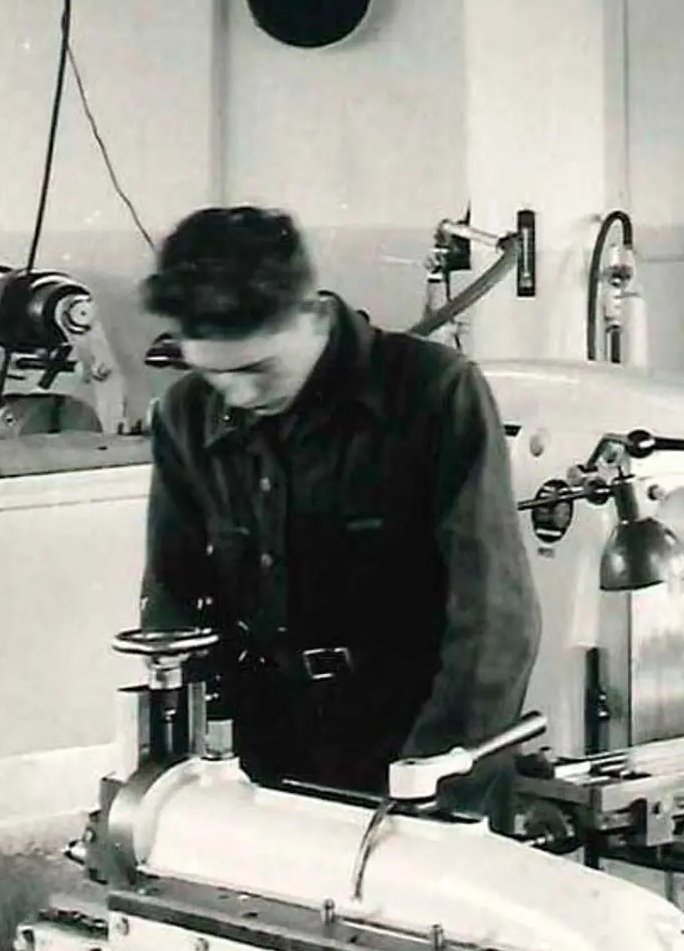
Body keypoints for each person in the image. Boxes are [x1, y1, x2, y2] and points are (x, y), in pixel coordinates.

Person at [138, 205, 535, 799]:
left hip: (414, 745)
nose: (241, 395)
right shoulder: (185, 417)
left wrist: (439, 783)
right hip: (258, 758)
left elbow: (494, 619)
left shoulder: (433, 393)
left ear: (315, 314)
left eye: (258, 368)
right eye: (218, 376)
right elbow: (173, 599)